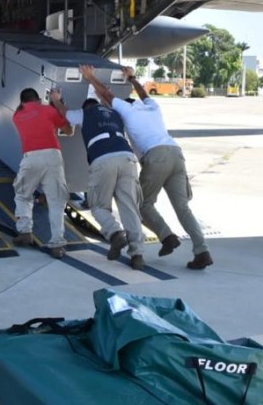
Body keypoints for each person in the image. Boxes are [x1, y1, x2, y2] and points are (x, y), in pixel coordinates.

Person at [81, 64, 213, 270]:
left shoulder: (126, 110)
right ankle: (202, 250)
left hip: (156, 157)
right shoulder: (152, 106)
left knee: (140, 204)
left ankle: (167, 236)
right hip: (176, 154)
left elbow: (106, 94)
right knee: (182, 207)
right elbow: (143, 93)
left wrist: (90, 77)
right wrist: (131, 78)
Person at [51, 96, 147, 270]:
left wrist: (56, 100)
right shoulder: (115, 114)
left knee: (98, 206)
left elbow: (66, 115)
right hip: (127, 158)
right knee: (129, 207)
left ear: (86, 107)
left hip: (103, 160)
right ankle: (137, 255)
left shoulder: (85, 113)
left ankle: (115, 233)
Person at [11, 87, 71, 259]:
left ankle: (25, 232)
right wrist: (58, 102)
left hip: (31, 158)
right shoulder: (48, 110)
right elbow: (68, 130)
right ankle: (57, 245)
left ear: (22, 103)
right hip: (53, 156)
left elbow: (26, 110)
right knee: (56, 201)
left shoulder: (16, 116)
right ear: (38, 100)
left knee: (22, 195)